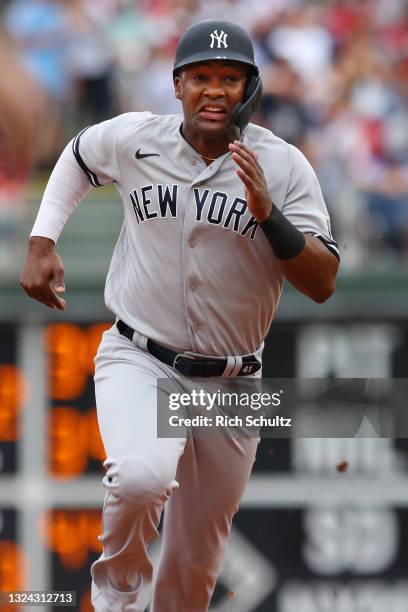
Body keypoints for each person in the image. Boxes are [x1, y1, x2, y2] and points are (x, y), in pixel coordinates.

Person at [20, 19, 339, 612]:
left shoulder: (285, 165)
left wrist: (270, 215)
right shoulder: (137, 139)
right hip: (142, 355)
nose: (214, 90)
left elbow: (321, 281)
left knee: (194, 564)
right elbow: (77, 155)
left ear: (251, 90)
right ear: (176, 85)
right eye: (200, 77)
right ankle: (116, 600)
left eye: (229, 78)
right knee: (140, 478)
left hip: (233, 381)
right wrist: (42, 239)